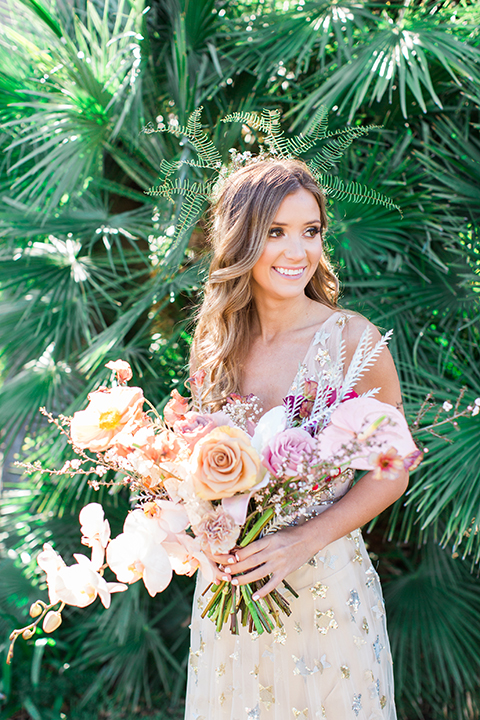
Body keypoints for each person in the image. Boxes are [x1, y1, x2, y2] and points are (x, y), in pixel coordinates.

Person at [185, 158, 406, 719]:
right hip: (229, 597)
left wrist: (304, 540)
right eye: (276, 232)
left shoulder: (353, 343)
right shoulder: (214, 347)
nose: (297, 252)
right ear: (241, 239)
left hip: (325, 591)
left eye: (310, 232)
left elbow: (390, 469)